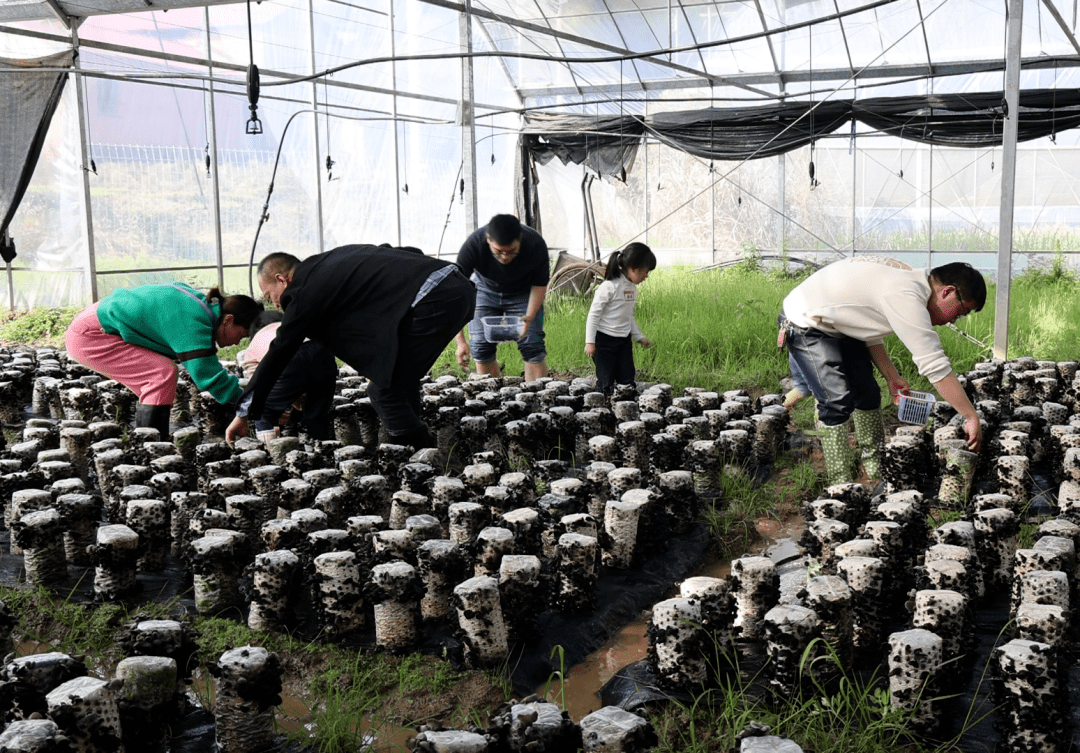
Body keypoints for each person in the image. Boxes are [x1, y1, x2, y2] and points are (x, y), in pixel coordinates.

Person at [225, 244, 475, 450]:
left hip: (434, 300)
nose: (276, 305)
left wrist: (245, 411)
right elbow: (404, 251)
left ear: (282, 279)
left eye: (270, 296)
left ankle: (426, 457)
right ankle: (415, 450)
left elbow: (281, 349)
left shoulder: (301, 292)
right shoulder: (331, 261)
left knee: (384, 392)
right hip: (457, 286)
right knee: (397, 381)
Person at [779, 257, 985, 485]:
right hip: (805, 322)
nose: (955, 319)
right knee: (836, 400)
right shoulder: (906, 295)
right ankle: (840, 484)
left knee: (867, 394)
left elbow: (865, 325)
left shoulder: (911, 281)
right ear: (947, 291)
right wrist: (970, 415)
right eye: (961, 311)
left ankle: (876, 468)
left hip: (839, 324)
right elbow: (934, 365)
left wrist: (891, 376)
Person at [65, 282, 262, 438]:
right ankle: (152, 448)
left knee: (158, 376)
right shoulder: (192, 319)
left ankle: (149, 442)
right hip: (91, 334)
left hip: (96, 323)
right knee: (161, 374)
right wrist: (251, 405)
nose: (237, 342)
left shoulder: (201, 307)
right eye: (241, 335)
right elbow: (207, 374)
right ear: (228, 320)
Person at [454, 214, 550, 381]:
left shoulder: (535, 244)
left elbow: (539, 285)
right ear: (489, 240)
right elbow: (456, 293)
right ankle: (491, 399)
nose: (505, 257)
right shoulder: (474, 244)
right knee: (480, 346)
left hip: (523, 292)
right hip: (484, 290)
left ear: (519, 239)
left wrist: (530, 316)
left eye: (511, 251)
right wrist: (460, 342)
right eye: (499, 252)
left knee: (532, 345)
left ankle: (537, 398)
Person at [241, 309, 338, 442]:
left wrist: (281, 408)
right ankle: (321, 451)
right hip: (324, 351)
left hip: (292, 356)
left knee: (262, 410)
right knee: (315, 416)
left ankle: (271, 454)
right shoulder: (291, 326)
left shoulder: (256, 342)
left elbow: (258, 382)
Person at [584, 242, 656, 393]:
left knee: (627, 379)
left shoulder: (632, 288)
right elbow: (593, 315)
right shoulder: (609, 287)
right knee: (606, 381)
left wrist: (638, 336)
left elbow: (628, 315)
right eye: (645, 272)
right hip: (604, 342)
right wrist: (590, 342)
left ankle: (625, 409)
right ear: (633, 269)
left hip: (623, 341)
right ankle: (600, 409)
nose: (646, 276)